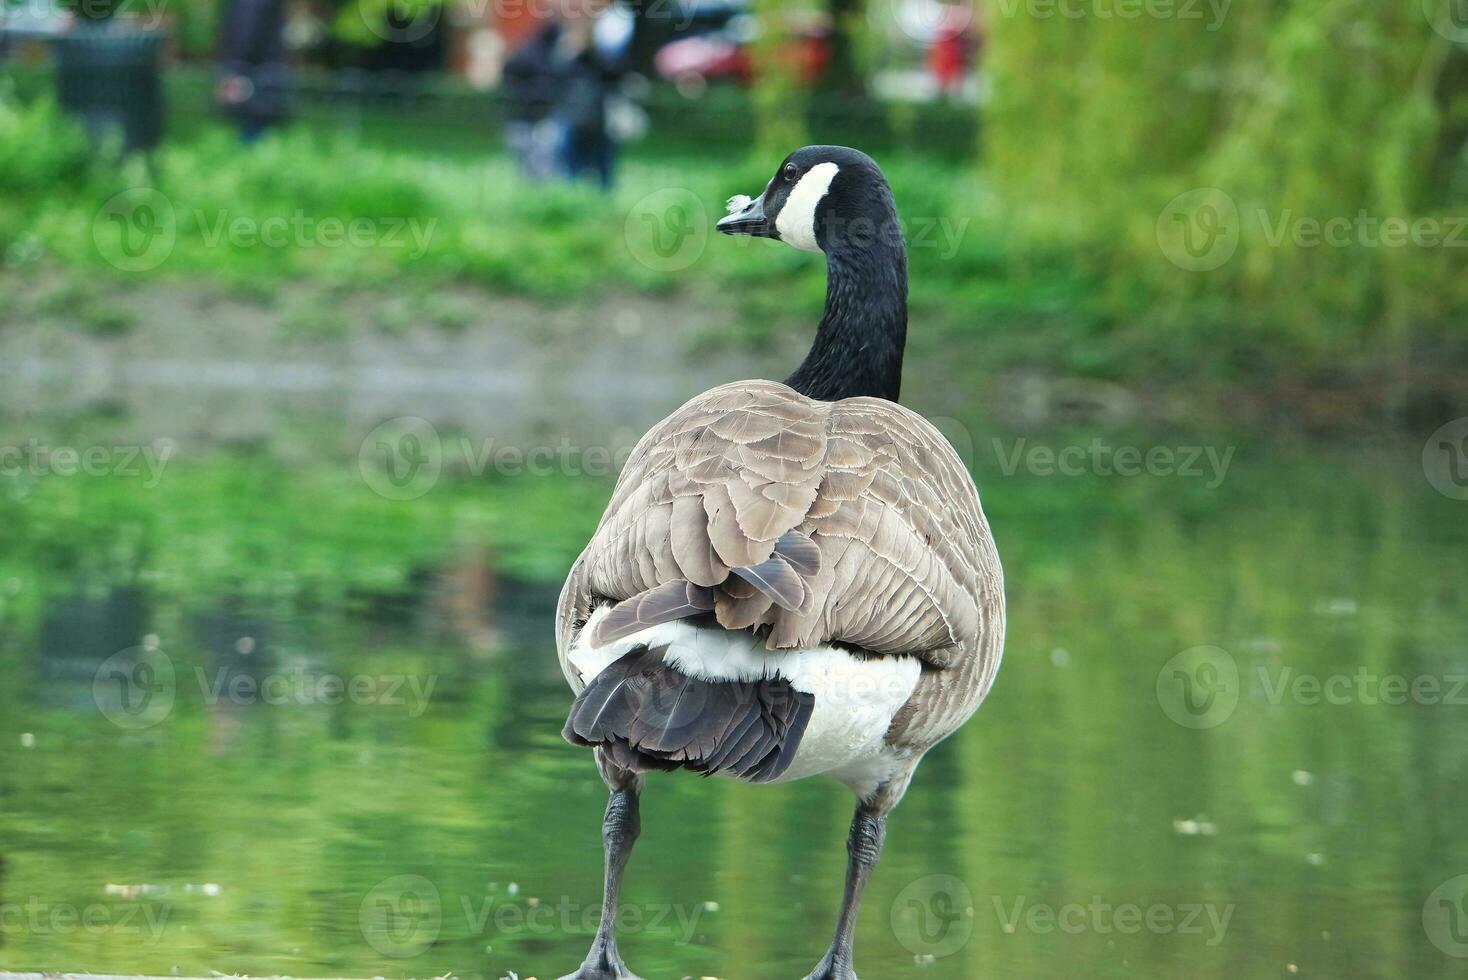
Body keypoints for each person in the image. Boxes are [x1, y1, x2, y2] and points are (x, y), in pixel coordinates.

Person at [503, 1, 634, 188]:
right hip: (557, 118)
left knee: (601, 172)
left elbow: (615, 75)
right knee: (562, 172)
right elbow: (520, 69)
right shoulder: (547, 36)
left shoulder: (602, 40)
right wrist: (565, 56)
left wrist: (589, 50)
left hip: (595, 119)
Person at [216, 0, 289, 143]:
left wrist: (234, 72)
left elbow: (245, 32)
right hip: (265, 76)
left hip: (253, 79)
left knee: (249, 139)